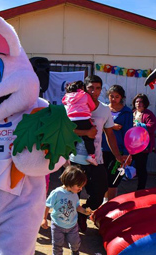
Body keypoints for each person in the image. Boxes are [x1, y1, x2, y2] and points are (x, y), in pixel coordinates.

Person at [69, 75, 126, 232]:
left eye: (98, 88)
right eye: (91, 88)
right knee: (73, 192)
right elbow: (67, 130)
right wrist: (87, 132)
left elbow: (110, 134)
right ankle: (70, 223)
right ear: (84, 88)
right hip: (76, 159)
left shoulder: (104, 109)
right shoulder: (76, 106)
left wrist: (117, 156)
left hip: (96, 159)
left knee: (99, 193)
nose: (94, 91)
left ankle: (83, 213)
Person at [41, 165, 92, 255]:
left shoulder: (74, 194)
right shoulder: (57, 193)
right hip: (57, 225)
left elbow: (76, 206)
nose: (81, 189)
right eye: (79, 186)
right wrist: (44, 219)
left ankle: (75, 252)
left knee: (75, 243)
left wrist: (84, 211)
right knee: (57, 245)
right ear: (70, 182)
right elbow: (47, 205)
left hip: (72, 225)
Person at [102, 85, 133, 201]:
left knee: (113, 179)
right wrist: (112, 126)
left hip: (118, 150)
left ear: (122, 98)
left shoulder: (126, 112)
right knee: (103, 178)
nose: (113, 99)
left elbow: (128, 134)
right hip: (102, 149)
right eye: (111, 96)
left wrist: (126, 153)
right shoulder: (104, 109)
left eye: (117, 97)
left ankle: (110, 204)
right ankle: (105, 202)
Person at [62, 80, 97, 165]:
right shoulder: (85, 94)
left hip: (71, 120)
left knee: (72, 138)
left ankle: (67, 156)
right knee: (89, 138)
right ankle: (91, 155)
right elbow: (93, 106)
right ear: (82, 88)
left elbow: (64, 103)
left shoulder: (67, 96)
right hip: (84, 118)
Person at [131, 93, 156, 190]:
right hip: (132, 145)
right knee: (130, 164)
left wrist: (139, 125)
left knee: (141, 167)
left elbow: (152, 127)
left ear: (145, 103)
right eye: (137, 101)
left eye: (141, 102)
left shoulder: (149, 114)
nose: (138, 104)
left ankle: (140, 189)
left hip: (143, 146)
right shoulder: (132, 112)